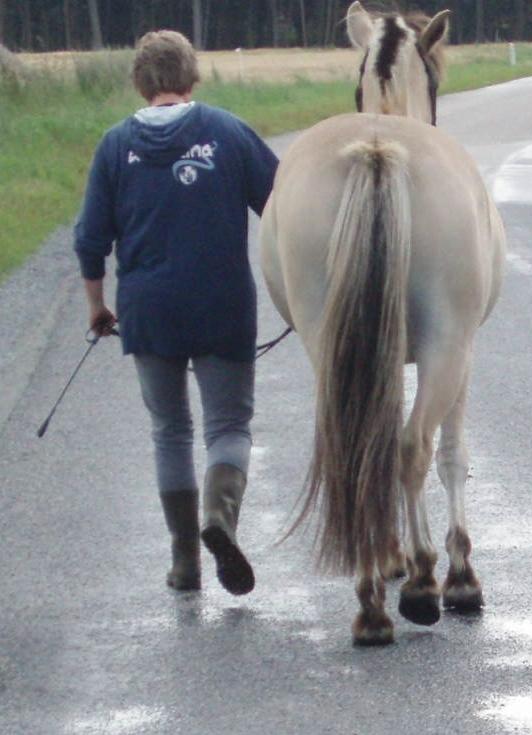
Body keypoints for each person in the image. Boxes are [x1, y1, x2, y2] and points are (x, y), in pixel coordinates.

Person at [74, 30, 279, 596]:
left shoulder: (115, 146)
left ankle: (185, 562)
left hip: (149, 310)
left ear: (141, 83)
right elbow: (281, 206)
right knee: (229, 427)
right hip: (222, 304)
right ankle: (220, 515)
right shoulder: (228, 132)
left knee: (169, 432)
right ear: (192, 78)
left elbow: (91, 239)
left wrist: (97, 306)